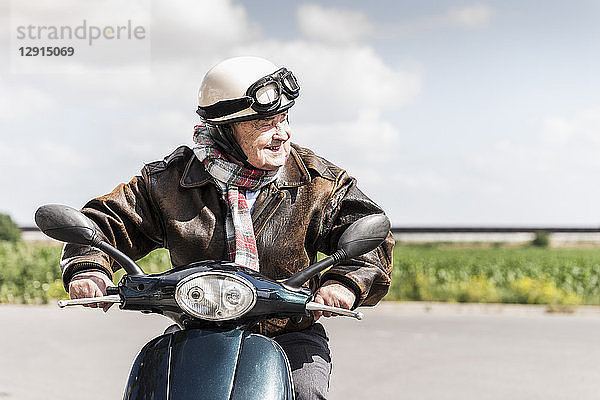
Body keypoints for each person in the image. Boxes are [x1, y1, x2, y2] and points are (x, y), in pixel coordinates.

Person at [61, 56, 394, 400]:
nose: (284, 133)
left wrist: (346, 283)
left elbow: (370, 233)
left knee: (306, 393)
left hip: (289, 334)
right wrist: (89, 268)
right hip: (199, 335)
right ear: (225, 129)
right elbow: (106, 221)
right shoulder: (167, 182)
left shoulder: (318, 181)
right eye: (265, 122)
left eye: (284, 118)